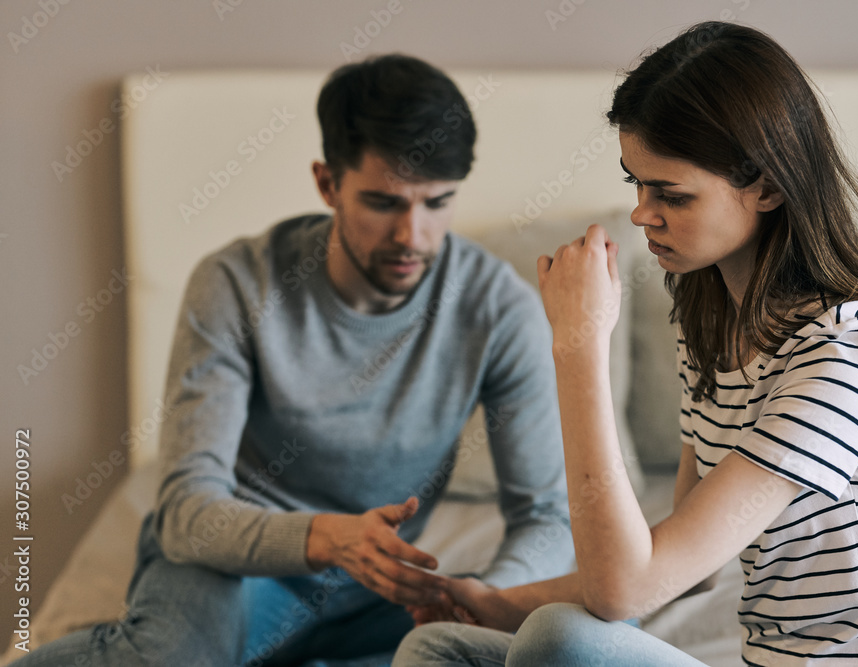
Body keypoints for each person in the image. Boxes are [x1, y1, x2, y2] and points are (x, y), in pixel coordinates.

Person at [393, 21, 858, 667]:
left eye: (671, 194)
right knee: (438, 646)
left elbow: (624, 589)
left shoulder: (845, 357)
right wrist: (495, 602)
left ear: (769, 188)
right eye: (636, 183)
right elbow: (681, 569)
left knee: (557, 638)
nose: (641, 213)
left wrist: (578, 347)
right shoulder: (716, 335)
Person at [12, 54, 575, 667]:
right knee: (171, 655)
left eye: (437, 202)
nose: (414, 236)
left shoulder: (498, 307)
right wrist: (328, 538)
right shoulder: (236, 284)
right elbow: (185, 514)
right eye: (384, 203)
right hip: (233, 570)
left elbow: (545, 516)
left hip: (380, 593)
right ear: (327, 184)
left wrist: (486, 598)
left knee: (540, 644)